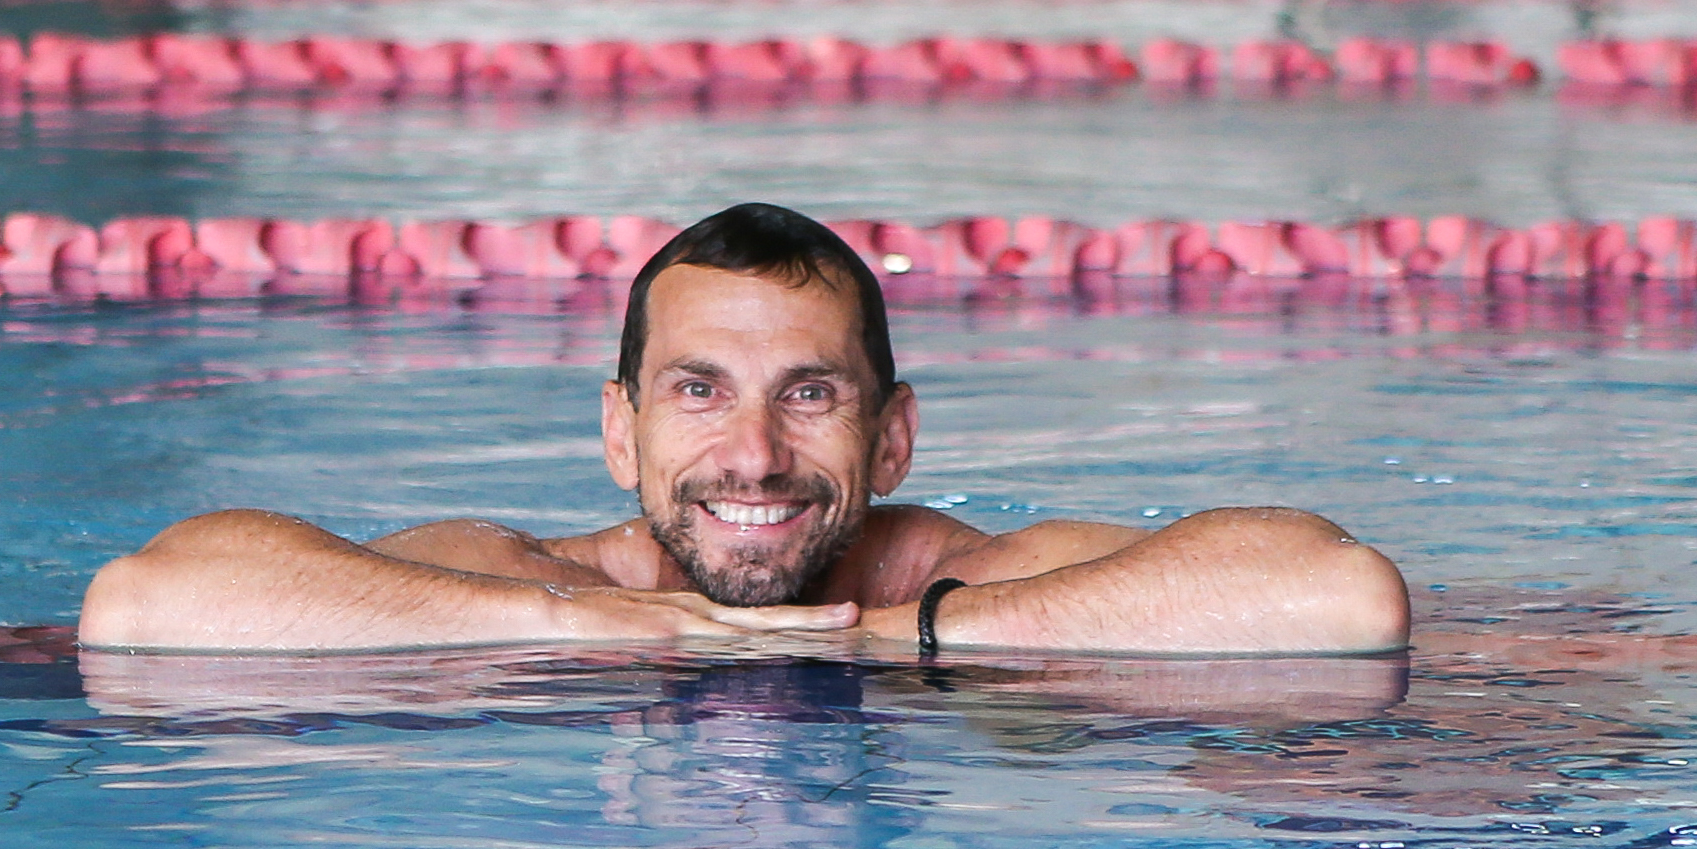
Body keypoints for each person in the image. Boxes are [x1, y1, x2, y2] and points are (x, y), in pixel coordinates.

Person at [75, 202, 1411, 657]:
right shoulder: (537, 586)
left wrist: (905, 642)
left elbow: (1335, 593)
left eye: (809, 394)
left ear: (892, 443)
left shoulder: (951, 577)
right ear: (621, 434)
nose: (756, 456)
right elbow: (145, 606)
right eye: (698, 391)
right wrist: (568, 629)